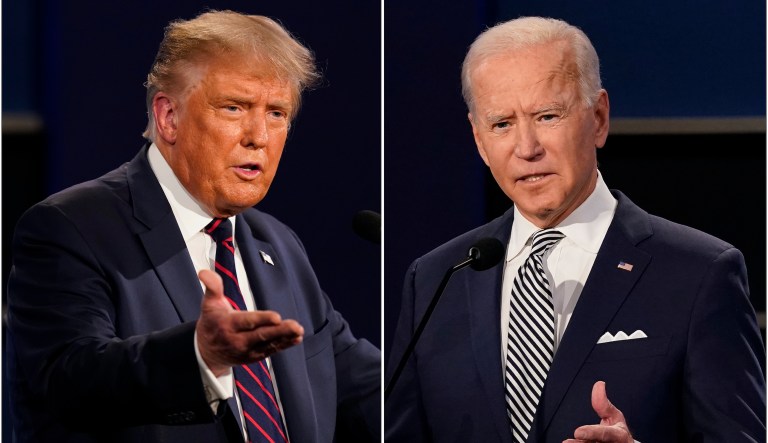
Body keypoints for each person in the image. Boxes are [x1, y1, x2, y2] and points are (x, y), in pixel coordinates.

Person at [385, 16, 765, 442]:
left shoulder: (699, 273)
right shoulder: (437, 279)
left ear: (599, 118)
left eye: (547, 116)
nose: (526, 148)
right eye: (502, 124)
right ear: (479, 140)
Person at [7, 10, 380, 443]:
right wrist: (200, 356)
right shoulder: (72, 228)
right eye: (234, 107)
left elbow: (361, 388)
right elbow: (70, 379)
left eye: (277, 113)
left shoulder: (277, 244)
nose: (258, 134)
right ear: (168, 117)